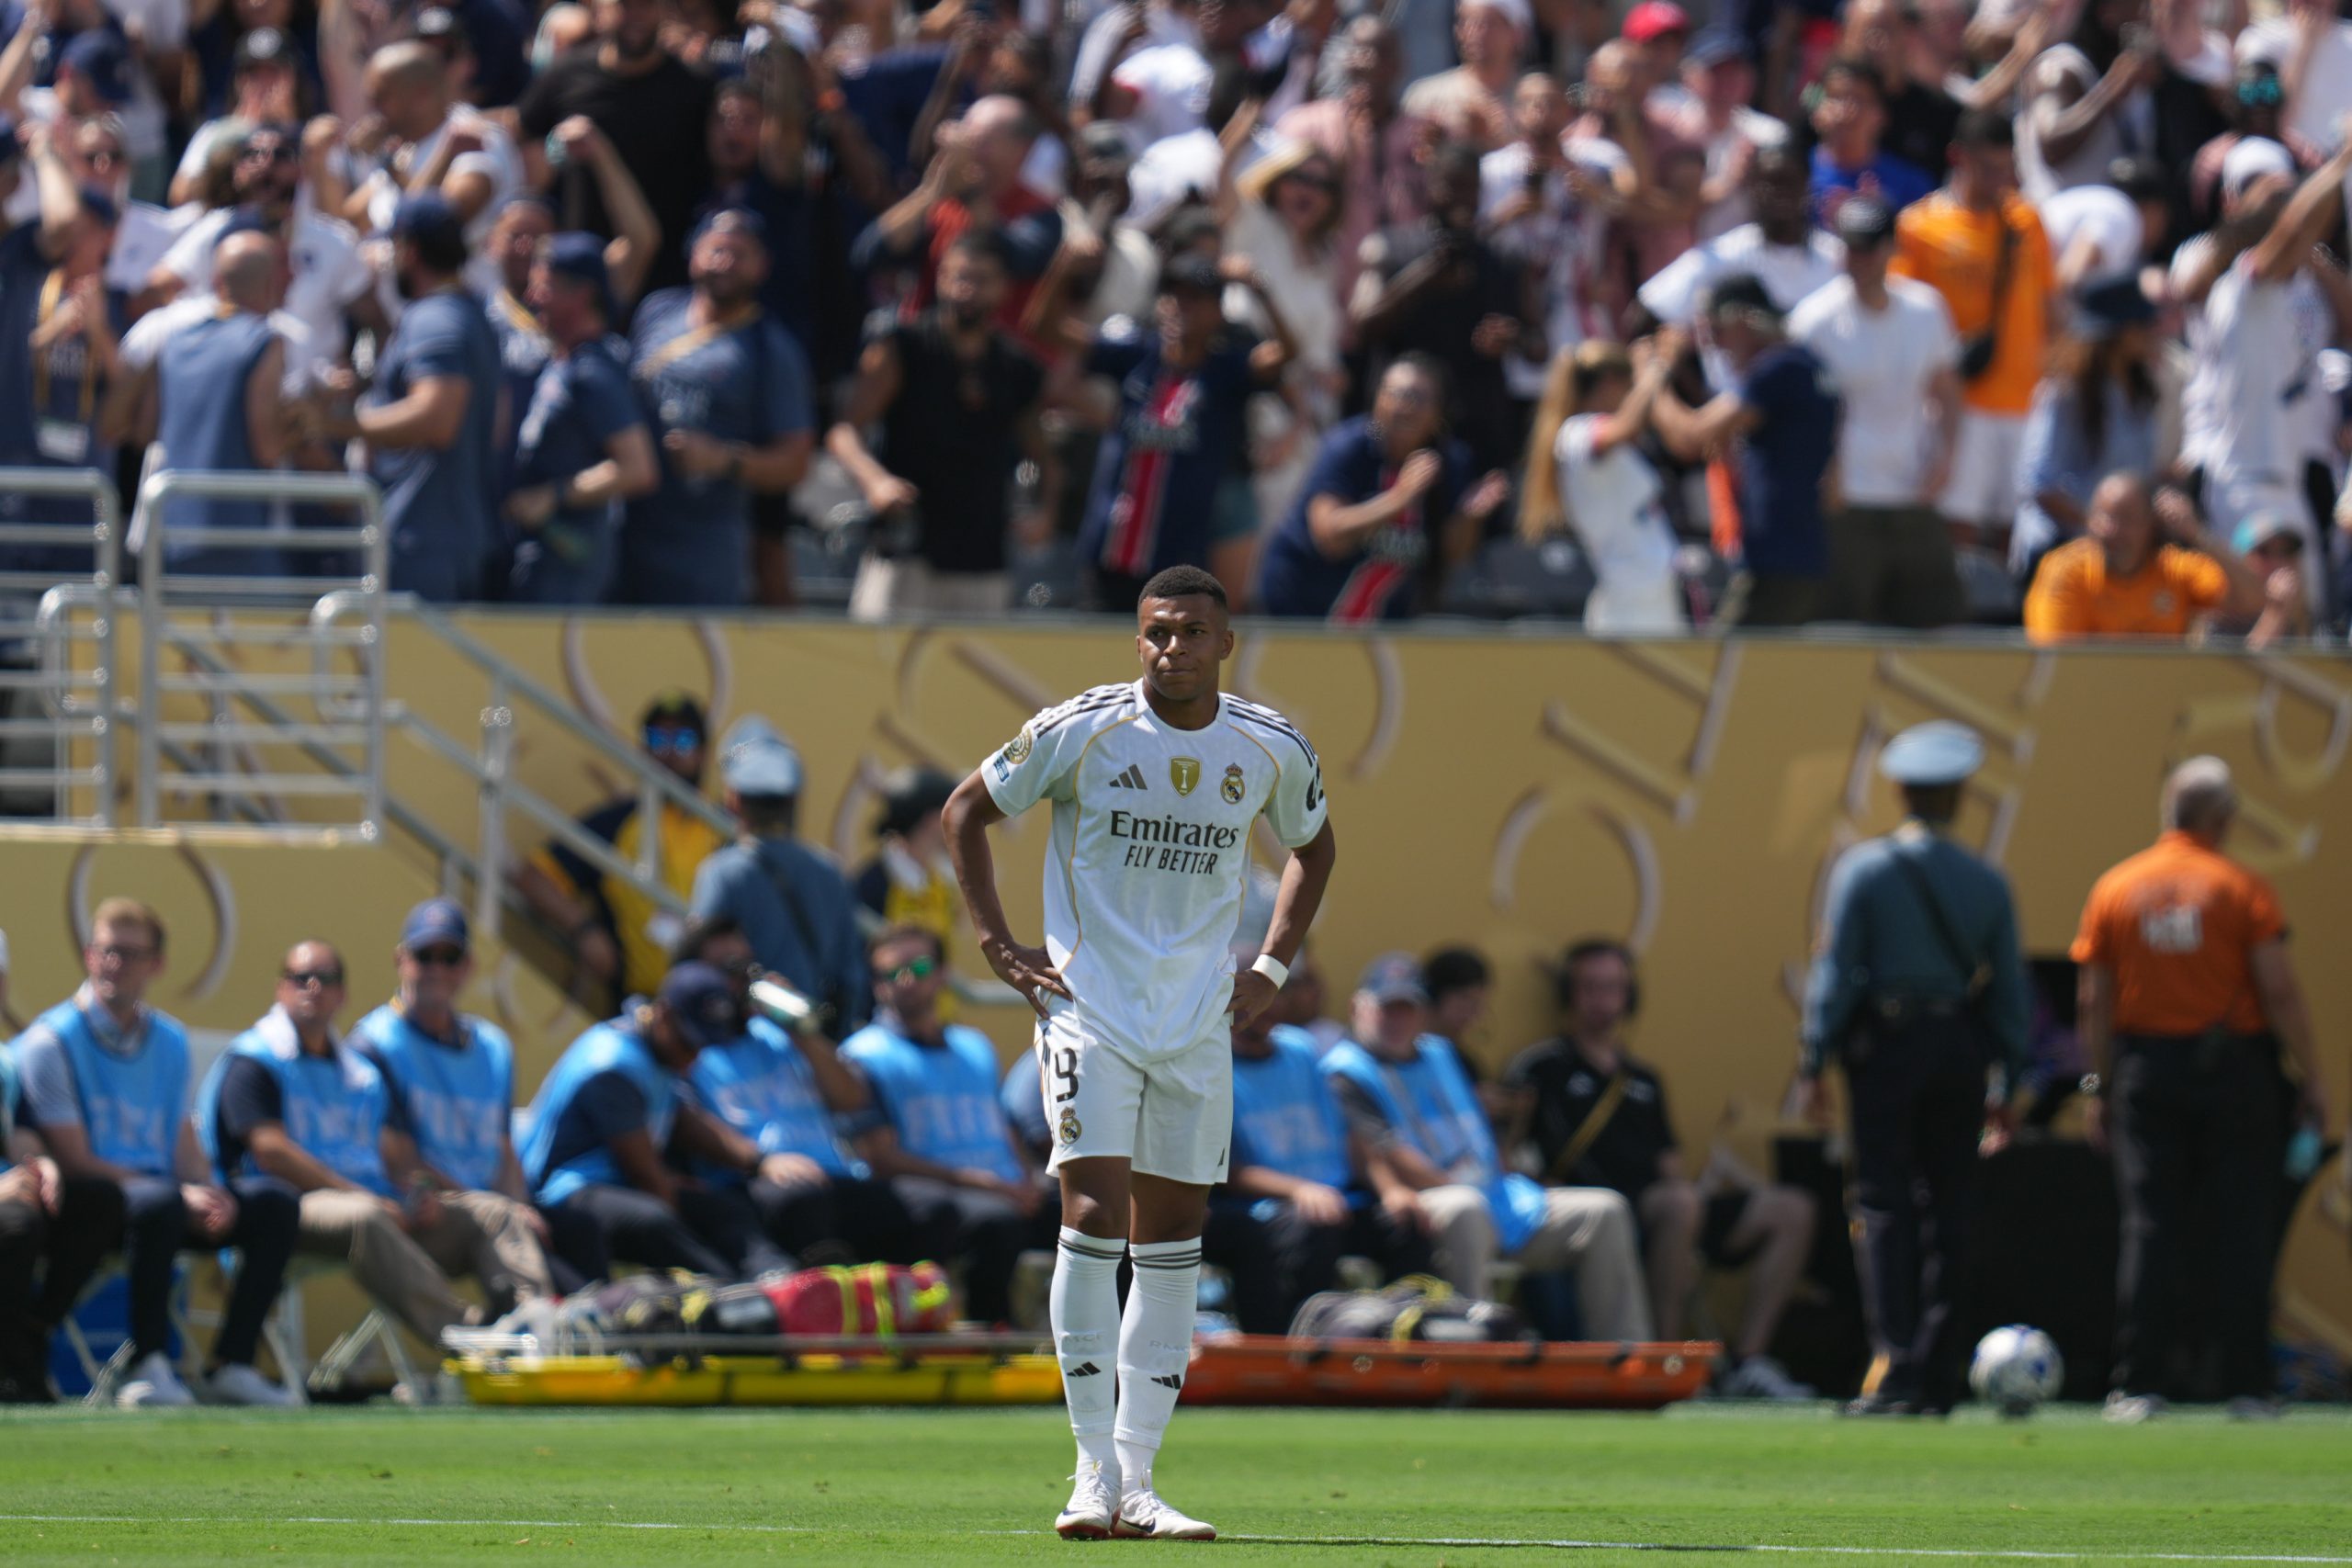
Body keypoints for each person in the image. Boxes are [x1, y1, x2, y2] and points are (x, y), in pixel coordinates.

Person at [940, 564, 1336, 1541]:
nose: (1173, 649)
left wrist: (1273, 969)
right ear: (1137, 638)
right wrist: (998, 944)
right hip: (1091, 1009)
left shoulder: (1270, 746)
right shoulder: (1083, 728)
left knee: (1171, 1244)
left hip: (1197, 1022)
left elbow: (1315, 847)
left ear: (1224, 643)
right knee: (1089, 1215)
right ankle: (1087, 1473)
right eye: (1157, 632)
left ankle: (1141, 1482)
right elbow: (966, 811)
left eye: (1192, 632)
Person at [2075, 757, 2333, 1423]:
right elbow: (2278, 990)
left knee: (2150, 1226)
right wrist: (2313, 1076)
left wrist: (2097, 1085)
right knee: (2240, 1225)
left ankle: (2139, 1381)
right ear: (2222, 820)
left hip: (2144, 1071)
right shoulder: (2239, 887)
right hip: (2233, 1070)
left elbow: (2093, 999)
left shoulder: (2116, 887)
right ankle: (2247, 1383)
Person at [1800, 722, 2029, 1416]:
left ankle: (1893, 1363)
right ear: (1960, 796)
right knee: (1950, 1209)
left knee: (1884, 1203)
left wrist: (1814, 1057)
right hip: (1959, 1047)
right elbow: (2011, 993)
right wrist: (2009, 1081)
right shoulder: (1987, 882)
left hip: (1888, 1048)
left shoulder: (1863, 870)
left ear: (1898, 791)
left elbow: (1837, 975)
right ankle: (1938, 1373)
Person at [9, 898, 298, 1407]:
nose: (113, 964)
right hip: (101, 1203)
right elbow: (73, 1159)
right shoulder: (49, 1041)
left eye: (128, 953)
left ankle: (232, 1362)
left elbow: (180, 1137)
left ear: (156, 964)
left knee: (273, 1201)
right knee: (159, 1202)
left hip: (164, 1195)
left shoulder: (169, 1039)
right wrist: (180, 1194)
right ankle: (148, 1363)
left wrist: (210, 1191)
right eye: (105, 951)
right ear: (87, 955)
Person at [196, 940, 551, 1347]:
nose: (313, 987)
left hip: (376, 1206)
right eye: (301, 978)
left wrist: (418, 1194)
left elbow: (396, 1161)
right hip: (292, 1206)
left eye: (327, 979)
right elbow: (270, 1152)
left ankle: (538, 1327)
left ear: (342, 995)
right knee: (363, 1215)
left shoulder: (361, 1075)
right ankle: (467, 1334)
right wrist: (363, 1195)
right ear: (280, 988)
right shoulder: (254, 1059)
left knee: (494, 1211)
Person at [1504, 940, 1815, 1400]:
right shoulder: (1541, 1067)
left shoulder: (1642, 1078)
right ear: (1569, 995)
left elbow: (1669, 1165)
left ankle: (1749, 1360)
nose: (1602, 1001)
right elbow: (1513, 1150)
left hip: (1663, 1207)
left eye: (1613, 988)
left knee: (1791, 1208)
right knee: (1678, 1204)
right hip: (1589, 1211)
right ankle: (1667, 1360)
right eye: (1589, 988)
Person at [1321, 953, 1651, 1340]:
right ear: (1357, 1008)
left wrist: (1503, 1167)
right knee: (1465, 1206)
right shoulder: (1346, 1069)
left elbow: (1478, 1131)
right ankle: (1473, 1354)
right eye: (1386, 1009)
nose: (1397, 1020)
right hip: (1421, 1203)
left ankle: (1627, 1357)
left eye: (1407, 1009)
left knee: (1605, 1211)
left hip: (1494, 1195)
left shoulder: (1441, 1054)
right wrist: (1465, 1186)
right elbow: (1382, 1150)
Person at [678, 918, 942, 1269]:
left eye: (747, 964)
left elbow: (851, 1098)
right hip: (761, 1181)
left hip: (834, 1175)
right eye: (728, 968)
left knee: (934, 1207)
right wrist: (761, 1161)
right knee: (802, 1201)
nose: (741, 979)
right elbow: (687, 1122)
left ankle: (899, 1308)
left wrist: (801, 1032)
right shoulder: (690, 1046)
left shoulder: (776, 1034)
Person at [349, 900, 577, 1295]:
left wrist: (517, 1205)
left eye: (450, 957)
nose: (437, 969)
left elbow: (503, 1149)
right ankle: (537, 1337)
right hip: (421, 1212)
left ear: (468, 966)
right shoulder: (374, 1046)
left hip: (489, 1211)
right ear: (401, 960)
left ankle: (605, 1324)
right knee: (498, 1221)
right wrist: (499, 1207)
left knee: (579, 1223)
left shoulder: (493, 1047)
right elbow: (400, 1163)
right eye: (425, 956)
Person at [831, 231, 1053, 620]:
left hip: (982, 557)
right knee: (877, 675)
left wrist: (1044, 512)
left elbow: (1046, 459)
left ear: (1003, 288)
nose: (965, 289)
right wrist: (875, 482)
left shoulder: (1017, 367)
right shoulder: (903, 346)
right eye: (957, 277)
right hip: (905, 548)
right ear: (940, 279)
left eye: (980, 279)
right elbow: (844, 432)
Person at [841, 925, 1054, 1324]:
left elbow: (1003, 1125)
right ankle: (993, 1332)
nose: (906, 981)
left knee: (1098, 1211)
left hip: (1007, 1187)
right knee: (994, 1221)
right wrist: (985, 1183)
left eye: (919, 967)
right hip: (942, 1192)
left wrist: (1025, 1180)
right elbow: (881, 1157)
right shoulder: (862, 1055)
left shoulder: (975, 1045)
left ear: (942, 974)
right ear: (876, 985)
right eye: (890, 973)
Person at [518, 961, 780, 1280]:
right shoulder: (612, 1065)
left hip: (618, 1183)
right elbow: (645, 1174)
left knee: (726, 1207)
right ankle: (728, 1292)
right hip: (566, 1191)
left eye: (702, 1047)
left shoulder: (661, 1049)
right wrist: (676, 1195)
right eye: (688, 1043)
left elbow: (685, 1121)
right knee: (655, 1221)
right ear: (664, 1014)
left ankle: (775, 1279)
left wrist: (760, 1161)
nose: (693, 1057)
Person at [306, 194, 501, 602]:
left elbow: (436, 419)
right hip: (448, 534)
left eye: (391, 247)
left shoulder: (435, 319)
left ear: (409, 252)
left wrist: (335, 425)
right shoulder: (467, 313)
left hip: (424, 540)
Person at [620, 207, 815, 608]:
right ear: (694, 255)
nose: (725, 263)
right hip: (628, 530)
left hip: (704, 547)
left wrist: (722, 460)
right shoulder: (656, 311)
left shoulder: (772, 350)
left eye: (740, 255)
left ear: (762, 267)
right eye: (717, 250)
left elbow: (796, 462)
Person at [1073, 253, 1292, 609]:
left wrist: (1260, 291)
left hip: (1178, 557)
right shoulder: (1135, 355)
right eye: (1172, 296)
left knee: (1169, 658)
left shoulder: (1226, 371)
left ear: (1218, 314)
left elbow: (1286, 353)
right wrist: (1066, 264)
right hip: (1111, 546)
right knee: (1102, 657)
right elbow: (1045, 329)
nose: (1179, 307)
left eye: (1194, 299)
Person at [1788, 195, 1963, 628]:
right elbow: (1801, 412)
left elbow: (1947, 388)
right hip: (1847, 500)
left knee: (1931, 622)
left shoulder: (1927, 310)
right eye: (1850, 247)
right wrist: (1825, 473)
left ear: (1890, 249)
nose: (1858, 258)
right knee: (1843, 626)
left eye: (1868, 246)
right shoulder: (1814, 321)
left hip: (1913, 491)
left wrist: (1946, 457)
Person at [1890, 112, 2053, 556]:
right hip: (1959, 403)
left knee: (2010, 529)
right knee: (1956, 526)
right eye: (1987, 168)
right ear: (1957, 158)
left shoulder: (2028, 222)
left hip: (2023, 400)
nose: (1998, 180)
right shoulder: (1919, 226)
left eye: (2005, 167)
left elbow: (2048, 305)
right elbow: (1902, 315)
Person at [1226, 993, 1431, 1329]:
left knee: (1408, 1223)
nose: (1262, 1008)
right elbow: (1224, 1171)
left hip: (1338, 1198)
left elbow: (1348, 1132)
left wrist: (1391, 1189)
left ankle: (1405, 1338)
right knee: (1315, 1227)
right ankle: (1304, 1345)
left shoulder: (1300, 1048)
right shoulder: (1211, 1063)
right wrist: (1300, 1190)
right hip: (1267, 1207)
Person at [1255, 355, 1510, 623]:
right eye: (1396, 394)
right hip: (1302, 609)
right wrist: (1399, 498)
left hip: (1383, 623)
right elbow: (1328, 536)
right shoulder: (1353, 446)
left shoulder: (1447, 460)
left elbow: (1453, 555)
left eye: (1418, 397)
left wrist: (1469, 518)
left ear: (1439, 413)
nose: (1405, 406)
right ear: (1377, 400)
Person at [1649, 275, 1840, 629]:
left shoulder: (1778, 369)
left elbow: (1689, 437)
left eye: (1716, 332)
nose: (1716, 346)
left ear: (1741, 321)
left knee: (1724, 666)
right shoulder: (1809, 364)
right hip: (1807, 547)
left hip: (1778, 555)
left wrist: (1654, 374)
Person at [111, 228, 292, 579]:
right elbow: (268, 448)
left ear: (216, 280)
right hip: (238, 536)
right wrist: (304, 423)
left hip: (170, 533)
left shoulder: (174, 340)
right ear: (271, 283)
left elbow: (143, 430)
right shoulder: (265, 343)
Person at [1351, 139, 1539, 475]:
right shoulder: (1392, 247)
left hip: (1477, 427)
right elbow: (1363, 326)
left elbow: (1539, 346)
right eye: (1451, 186)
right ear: (1431, 186)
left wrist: (1513, 339)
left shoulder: (1504, 260)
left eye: (1472, 189)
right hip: (1403, 427)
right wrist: (1423, 279)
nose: (1462, 199)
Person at [516, 0, 714, 294]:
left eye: (645, 6)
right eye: (624, 5)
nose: (636, 16)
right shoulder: (567, 73)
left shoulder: (693, 86)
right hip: (582, 275)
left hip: (667, 279)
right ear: (600, 10)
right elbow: (521, 132)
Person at [502, 231, 657, 604]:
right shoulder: (562, 361)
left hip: (569, 562)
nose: (532, 297)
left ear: (582, 295)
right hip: (539, 556)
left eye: (545, 287)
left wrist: (553, 496)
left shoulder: (595, 372)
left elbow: (638, 469)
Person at [690, 716, 870, 1036]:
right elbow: (851, 979)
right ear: (792, 799)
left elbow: (702, 970)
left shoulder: (722, 871)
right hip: (814, 1049)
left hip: (744, 1049)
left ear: (733, 799)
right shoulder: (831, 872)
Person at [1519, 339, 1685, 634]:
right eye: (1627, 386)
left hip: (1648, 588)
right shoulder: (1576, 432)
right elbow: (1626, 426)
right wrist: (1655, 370)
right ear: (1609, 383)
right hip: (1631, 596)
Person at [0, 1009, 123, 1403]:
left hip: (13, 1197)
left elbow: (20, 1134)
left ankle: (35, 1330)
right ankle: (12, 1363)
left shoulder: (5, 1064)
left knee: (99, 1201)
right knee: (19, 1223)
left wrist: (44, 1167)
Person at [2012, 280, 2166, 580]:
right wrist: (2101, 526)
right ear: (2116, 333)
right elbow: (2039, 483)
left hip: (2122, 556)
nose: (2152, 331)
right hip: (2059, 551)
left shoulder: (2142, 395)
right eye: (2142, 323)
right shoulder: (2064, 393)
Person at [2022, 473, 2265, 643]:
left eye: (2126, 519)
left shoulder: (2174, 569)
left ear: (2152, 526)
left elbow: (2253, 600)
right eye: (2101, 517)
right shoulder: (2066, 570)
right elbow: (2053, 659)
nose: (2110, 530)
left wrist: (2198, 535)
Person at [1806, 56, 1934, 228]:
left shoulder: (1912, 185)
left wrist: (1885, 218)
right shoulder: (1797, 173)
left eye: (1858, 99)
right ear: (1816, 112)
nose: (1845, 111)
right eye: (1835, 97)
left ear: (1881, 116)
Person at [1399, 0, 1529, 152]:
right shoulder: (1424, 97)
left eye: (1489, 23)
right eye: (1467, 22)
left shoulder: (1534, 98)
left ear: (1518, 33)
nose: (1477, 32)